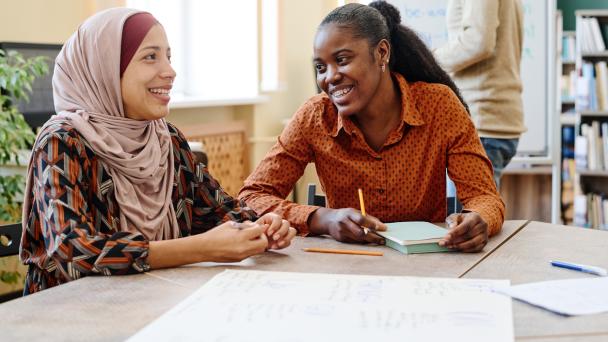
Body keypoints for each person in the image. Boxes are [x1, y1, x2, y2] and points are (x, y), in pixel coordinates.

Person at [20, 8, 296, 295]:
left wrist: (262, 227)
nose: (170, 71)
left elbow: (221, 211)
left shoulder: (166, 138)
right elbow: (72, 249)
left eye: (169, 56)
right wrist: (199, 249)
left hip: (155, 303)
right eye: (150, 56)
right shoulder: (63, 141)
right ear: (106, 68)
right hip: (67, 318)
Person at [239, 1, 504, 253]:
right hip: (348, 266)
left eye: (342, 60)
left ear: (381, 53)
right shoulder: (314, 116)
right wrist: (322, 218)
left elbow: (485, 197)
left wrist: (478, 219)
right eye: (321, 67)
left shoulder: (439, 105)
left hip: (426, 264)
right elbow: (251, 196)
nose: (329, 77)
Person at [434, 0, 525, 187]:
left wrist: (427, 60)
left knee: (472, 214)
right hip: (491, 119)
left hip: (482, 119)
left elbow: (478, 42)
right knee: (477, 211)